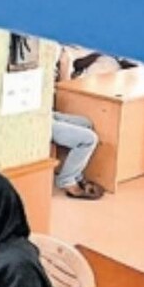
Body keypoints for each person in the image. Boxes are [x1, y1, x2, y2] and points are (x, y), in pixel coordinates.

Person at [51, 45, 105, 199]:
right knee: (89, 139)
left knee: (86, 123)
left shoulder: (56, 50)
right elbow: (63, 84)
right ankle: (66, 181)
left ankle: (75, 174)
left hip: (48, 112)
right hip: (38, 118)